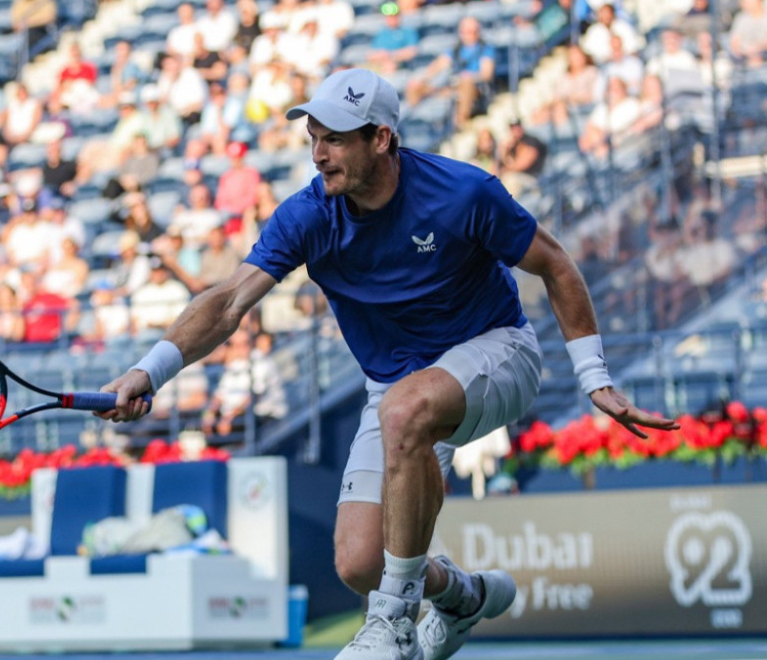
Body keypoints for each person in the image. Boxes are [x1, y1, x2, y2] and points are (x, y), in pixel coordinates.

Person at [95, 68, 677, 660]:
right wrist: (149, 371)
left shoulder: (463, 192)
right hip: (397, 388)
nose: (319, 155)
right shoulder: (308, 215)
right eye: (314, 138)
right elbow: (227, 303)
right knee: (360, 563)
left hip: (498, 352)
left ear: (381, 138)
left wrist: (594, 377)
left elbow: (554, 263)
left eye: (335, 139)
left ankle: (393, 622)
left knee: (403, 410)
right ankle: (461, 596)